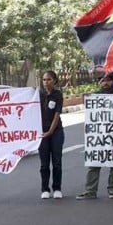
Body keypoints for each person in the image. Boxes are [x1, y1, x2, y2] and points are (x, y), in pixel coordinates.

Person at [76, 72, 113, 199]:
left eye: (108, 80)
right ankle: (90, 190)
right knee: (94, 162)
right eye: (102, 80)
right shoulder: (95, 96)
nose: (105, 83)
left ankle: (112, 189)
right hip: (98, 135)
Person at [38, 70, 64, 199]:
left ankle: (57, 188)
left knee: (57, 162)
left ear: (54, 80)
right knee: (44, 163)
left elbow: (56, 115)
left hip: (56, 132)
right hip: (42, 133)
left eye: (48, 79)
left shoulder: (57, 95)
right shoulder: (38, 94)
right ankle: (45, 189)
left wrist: (50, 131)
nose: (46, 82)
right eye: (44, 80)